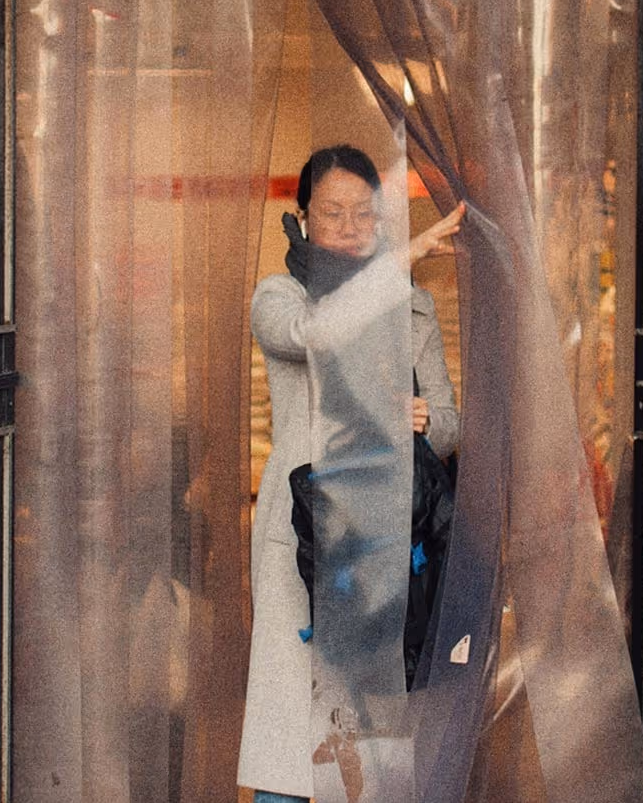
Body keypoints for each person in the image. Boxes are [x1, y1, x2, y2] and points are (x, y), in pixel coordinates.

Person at [238, 145, 464, 802]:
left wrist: (425, 420)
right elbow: (315, 332)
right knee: (287, 746)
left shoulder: (413, 307)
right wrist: (402, 261)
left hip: (385, 548)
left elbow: (451, 423)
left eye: (362, 212)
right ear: (303, 217)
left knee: (366, 763)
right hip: (302, 546)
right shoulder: (279, 296)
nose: (347, 225)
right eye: (332, 211)